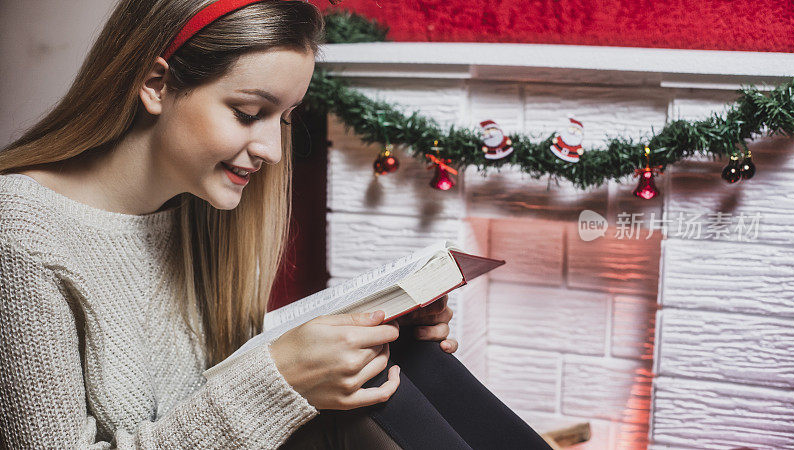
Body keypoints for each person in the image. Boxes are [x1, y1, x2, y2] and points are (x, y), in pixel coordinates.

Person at [0, 0, 551, 448]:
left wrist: (371, 334)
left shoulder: (195, 209)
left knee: (396, 363)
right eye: (247, 113)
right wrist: (278, 380)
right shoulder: (20, 234)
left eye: (284, 120)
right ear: (155, 84)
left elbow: (207, 382)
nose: (272, 151)